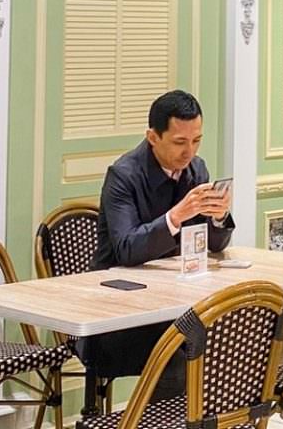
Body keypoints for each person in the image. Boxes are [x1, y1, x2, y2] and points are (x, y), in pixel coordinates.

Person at [83, 90, 233, 402]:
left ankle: (211, 419)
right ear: (153, 137)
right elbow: (127, 249)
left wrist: (219, 217)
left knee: (230, 333)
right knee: (180, 348)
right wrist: (176, 217)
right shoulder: (123, 175)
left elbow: (213, 246)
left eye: (196, 141)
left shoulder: (196, 170)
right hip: (116, 316)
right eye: (180, 142)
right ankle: (151, 420)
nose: (189, 151)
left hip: (172, 300)